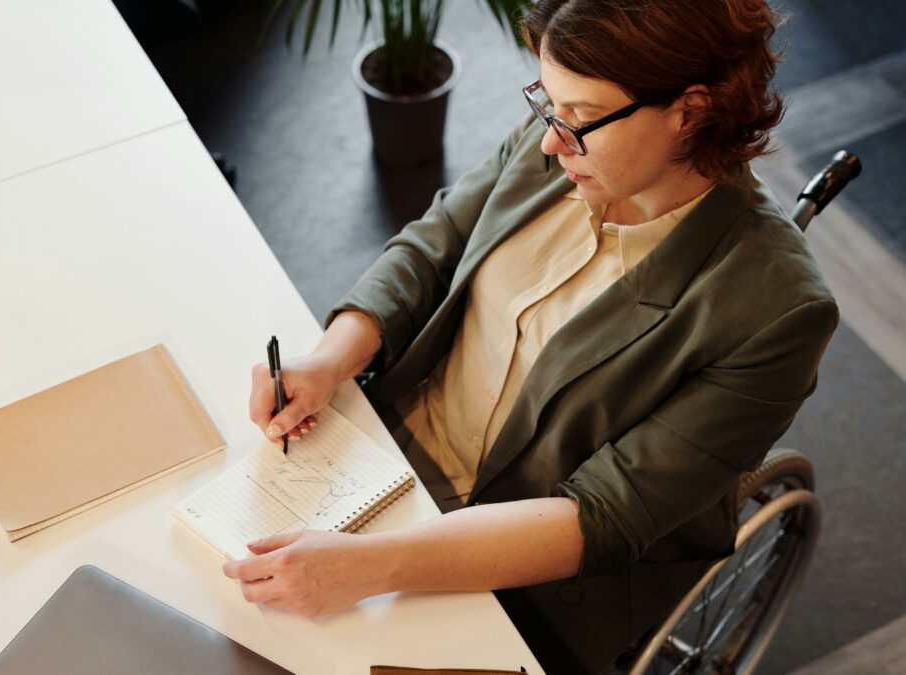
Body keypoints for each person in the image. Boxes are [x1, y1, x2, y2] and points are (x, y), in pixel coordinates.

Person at [223, 1, 839, 672]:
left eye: (576, 116)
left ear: (690, 109)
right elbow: (437, 245)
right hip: (388, 455)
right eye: (548, 103)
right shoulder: (569, 143)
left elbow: (601, 515)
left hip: (531, 570)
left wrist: (368, 566)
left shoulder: (779, 312)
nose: (550, 138)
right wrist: (328, 359)